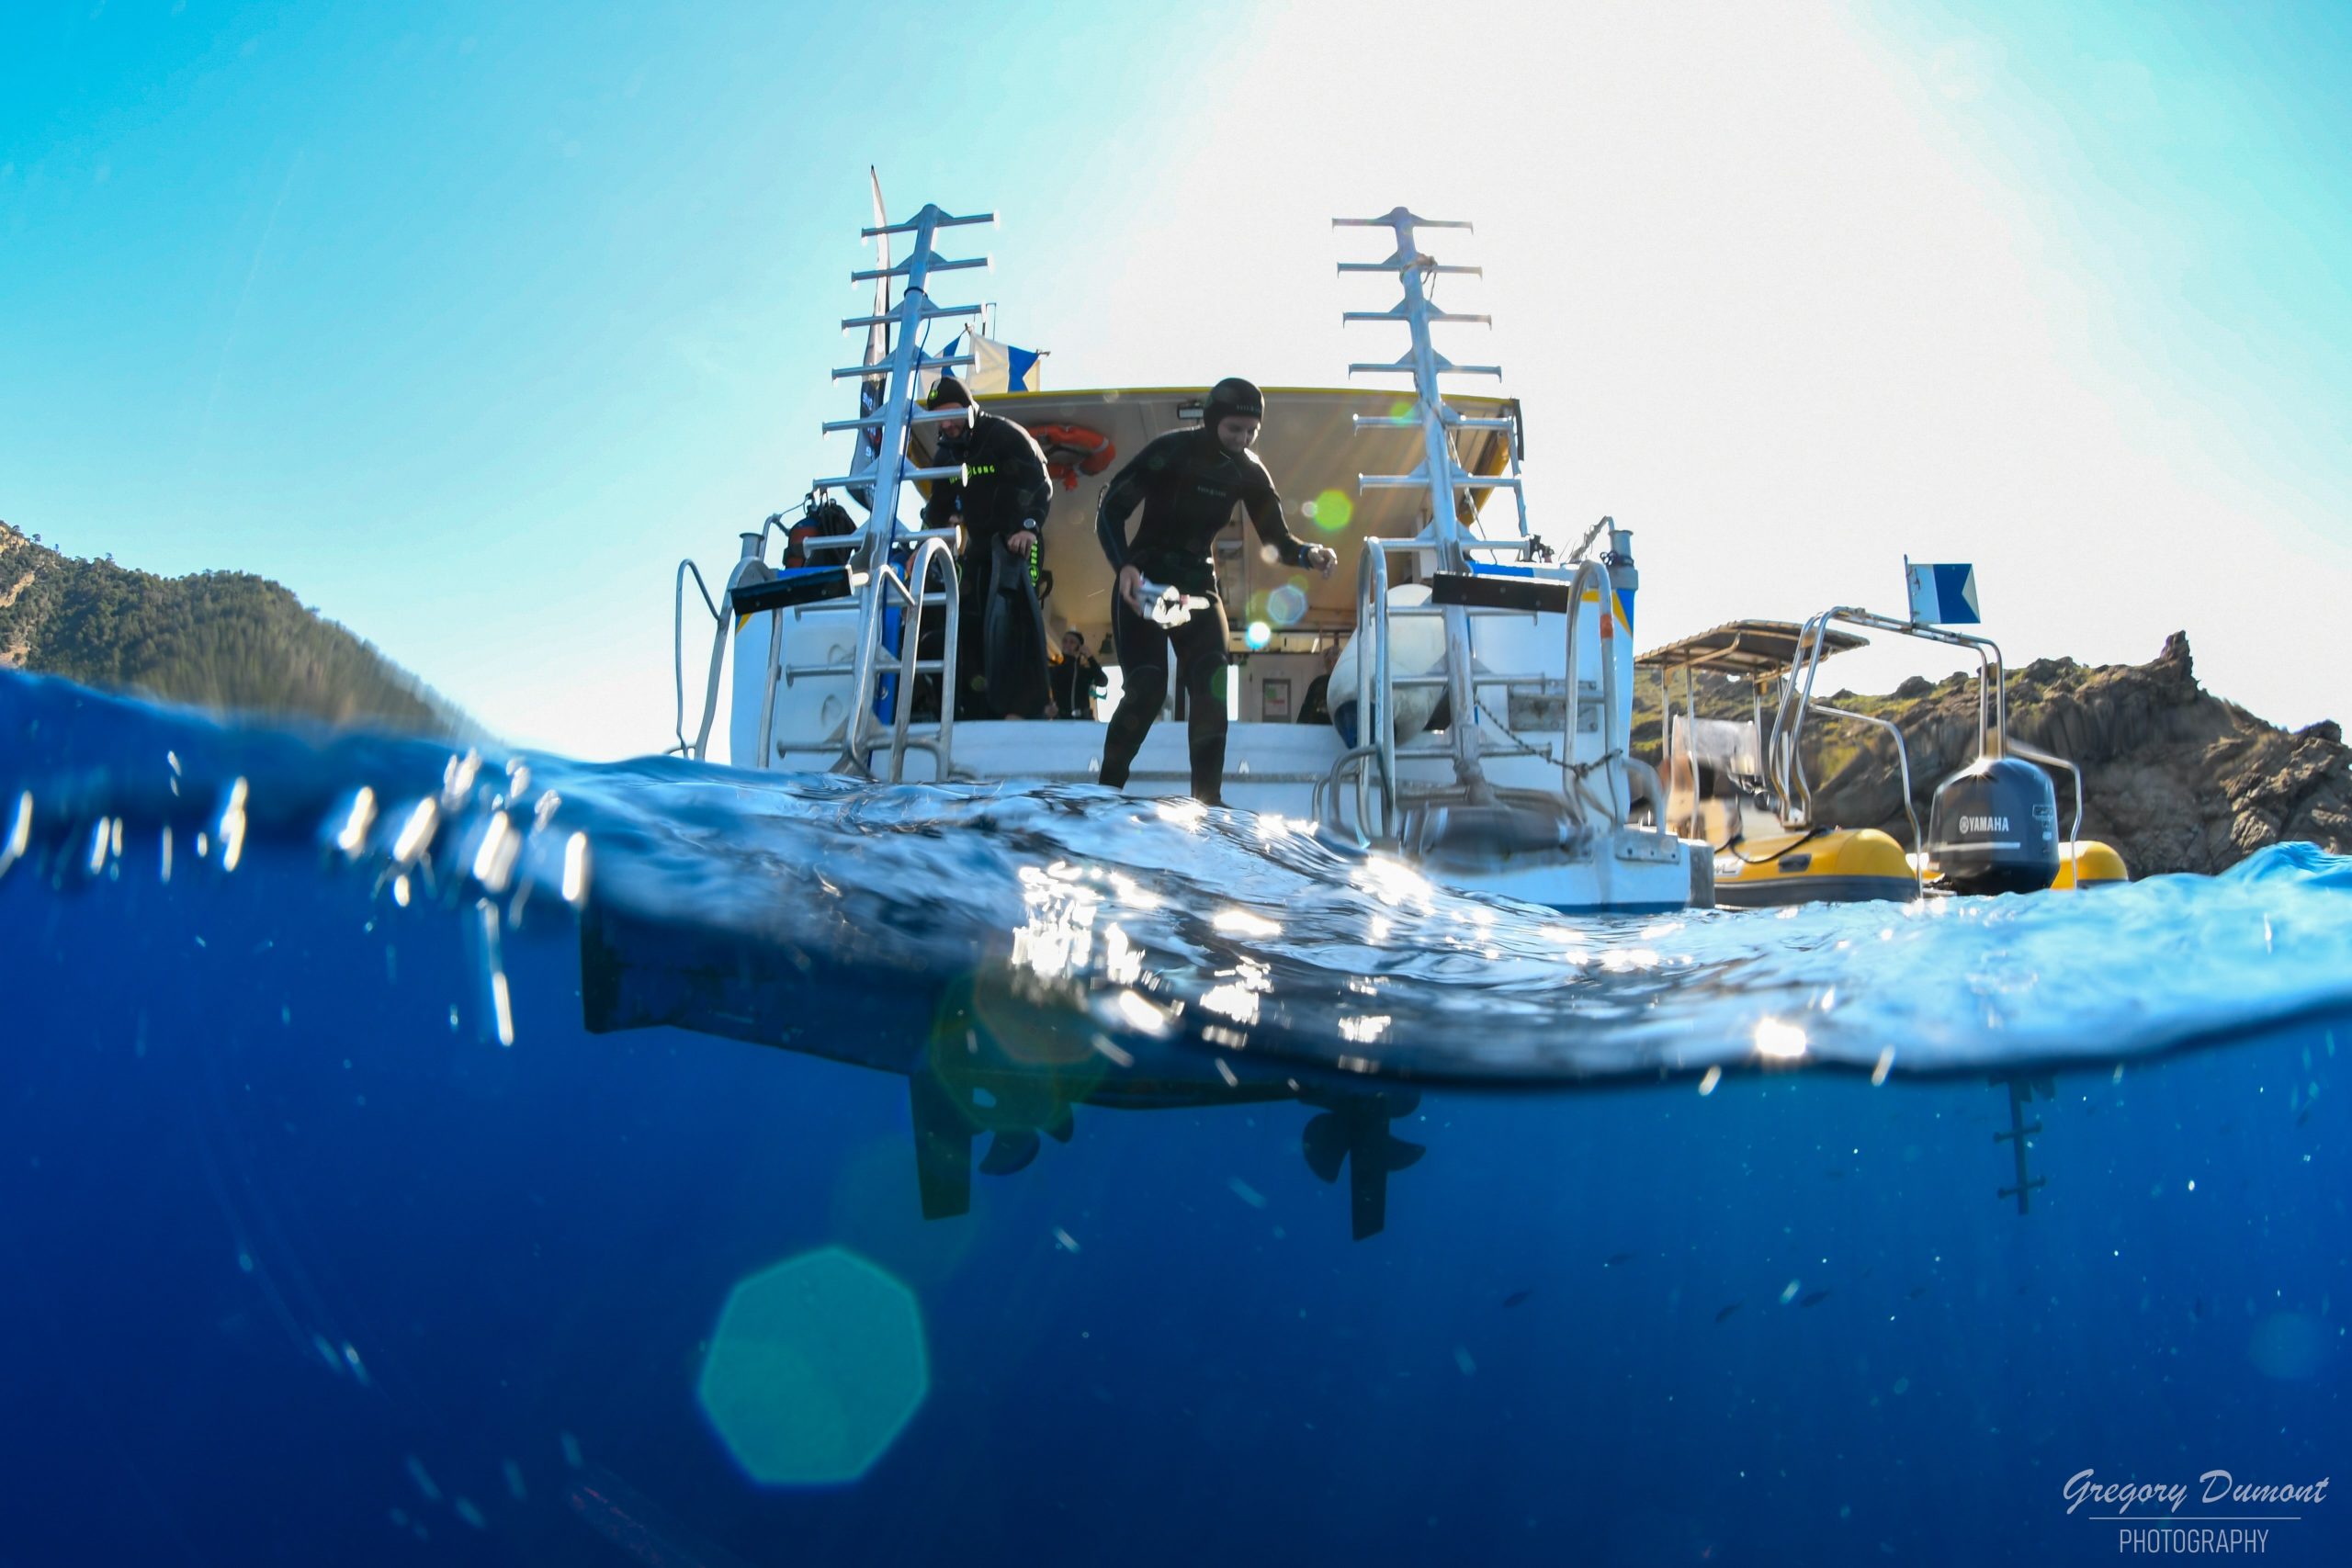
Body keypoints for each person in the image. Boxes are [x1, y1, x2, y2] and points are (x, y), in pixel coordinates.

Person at [1093, 377, 1338, 804]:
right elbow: (1111, 510)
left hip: (1197, 589)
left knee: (1211, 684)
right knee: (1148, 686)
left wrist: (1309, 553)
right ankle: (1107, 790)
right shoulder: (1170, 450)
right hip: (1146, 580)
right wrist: (1124, 566)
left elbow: (1276, 540)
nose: (1242, 439)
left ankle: (1208, 801)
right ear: (1211, 422)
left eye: (1251, 431)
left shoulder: (1248, 471)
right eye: (1234, 429)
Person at [919, 377, 1054, 717]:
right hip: (978, 548)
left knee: (1013, 615)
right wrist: (941, 524)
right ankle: (978, 707)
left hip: (1017, 542)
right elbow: (938, 504)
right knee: (970, 619)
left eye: (952, 415)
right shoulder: (944, 456)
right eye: (939, 418)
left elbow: (1040, 483)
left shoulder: (1004, 435)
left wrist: (1028, 526)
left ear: (969, 408)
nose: (946, 425)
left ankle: (1026, 707)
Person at [1048, 628, 1108, 721]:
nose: (1067, 644)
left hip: (1084, 720)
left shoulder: (1085, 671)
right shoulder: (1054, 670)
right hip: (1060, 719)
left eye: (1072, 642)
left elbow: (1103, 681)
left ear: (1080, 647)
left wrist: (1090, 657)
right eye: (1065, 641)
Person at [1295, 641, 1340, 725]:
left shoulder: (1319, 683)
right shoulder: (1319, 683)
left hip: (1319, 729)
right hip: (1338, 730)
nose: (1332, 664)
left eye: (1332, 661)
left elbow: (1305, 713)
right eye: (1329, 661)